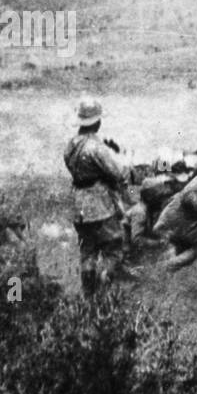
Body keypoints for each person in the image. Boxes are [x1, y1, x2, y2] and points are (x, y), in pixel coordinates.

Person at [63, 99, 134, 295]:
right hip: (99, 205)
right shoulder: (96, 147)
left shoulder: (70, 146)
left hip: (78, 206)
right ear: (97, 123)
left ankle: (88, 295)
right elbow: (118, 174)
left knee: (87, 252)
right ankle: (104, 286)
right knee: (113, 247)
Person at [125, 172, 182, 255]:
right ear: (150, 198)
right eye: (159, 198)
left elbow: (148, 232)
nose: (161, 202)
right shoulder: (140, 212)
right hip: (126, 252)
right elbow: (137, 240)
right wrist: (158, 243)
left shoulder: (148, 211)